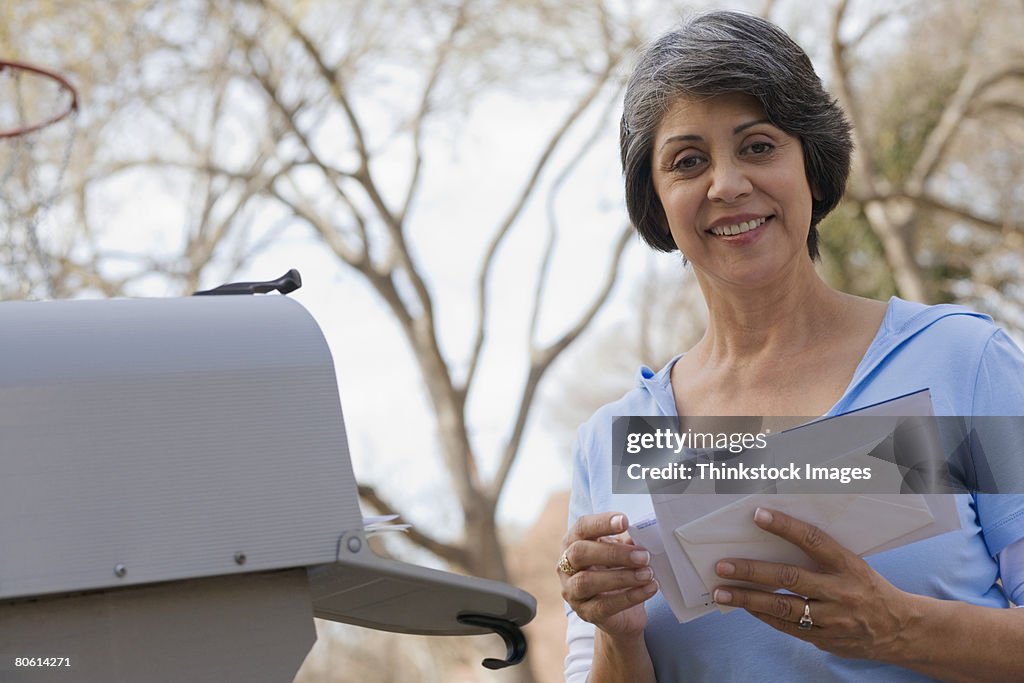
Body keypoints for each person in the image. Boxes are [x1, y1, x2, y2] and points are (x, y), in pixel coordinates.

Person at [558, 10, 1024, 682]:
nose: (726, 184)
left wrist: (897, 627)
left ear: (811, 163)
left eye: (758, 146)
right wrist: (617, 636)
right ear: (656, 202)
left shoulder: (962, 361)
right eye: (688, 161)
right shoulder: (615, 442)